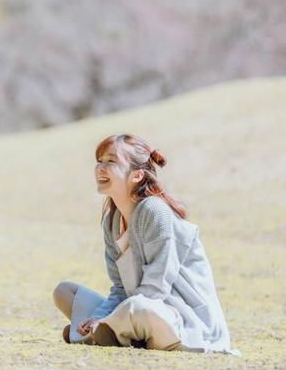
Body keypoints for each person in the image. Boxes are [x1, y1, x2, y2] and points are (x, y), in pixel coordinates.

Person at [53, 134, 232, 352]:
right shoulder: (112, 220)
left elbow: (156, 288)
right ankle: (109, 332)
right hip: (133, 309)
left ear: (137, 174)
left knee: (140, 307)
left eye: (111, 161)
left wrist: (105, 318)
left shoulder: (155, 211)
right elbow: (120, 288)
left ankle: (108, 334)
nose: (101, 167)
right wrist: (98, 318)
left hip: (179, 316)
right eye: (99, 161)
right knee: (65, 292)